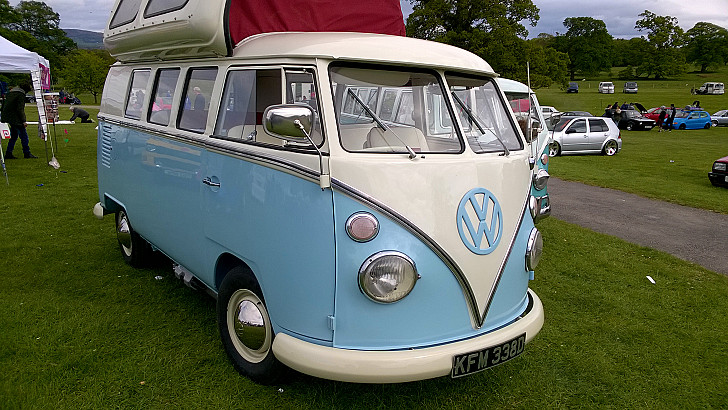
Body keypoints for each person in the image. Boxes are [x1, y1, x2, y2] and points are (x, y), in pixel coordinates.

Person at [1, 81, 37, 159]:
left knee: (14, 136)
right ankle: (26, 152)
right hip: (15, 118)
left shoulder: (10, 93)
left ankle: (9, 152)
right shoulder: (20, 95)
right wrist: (23, 120)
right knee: (23, 136)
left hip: (8, 116)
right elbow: (20, 109)